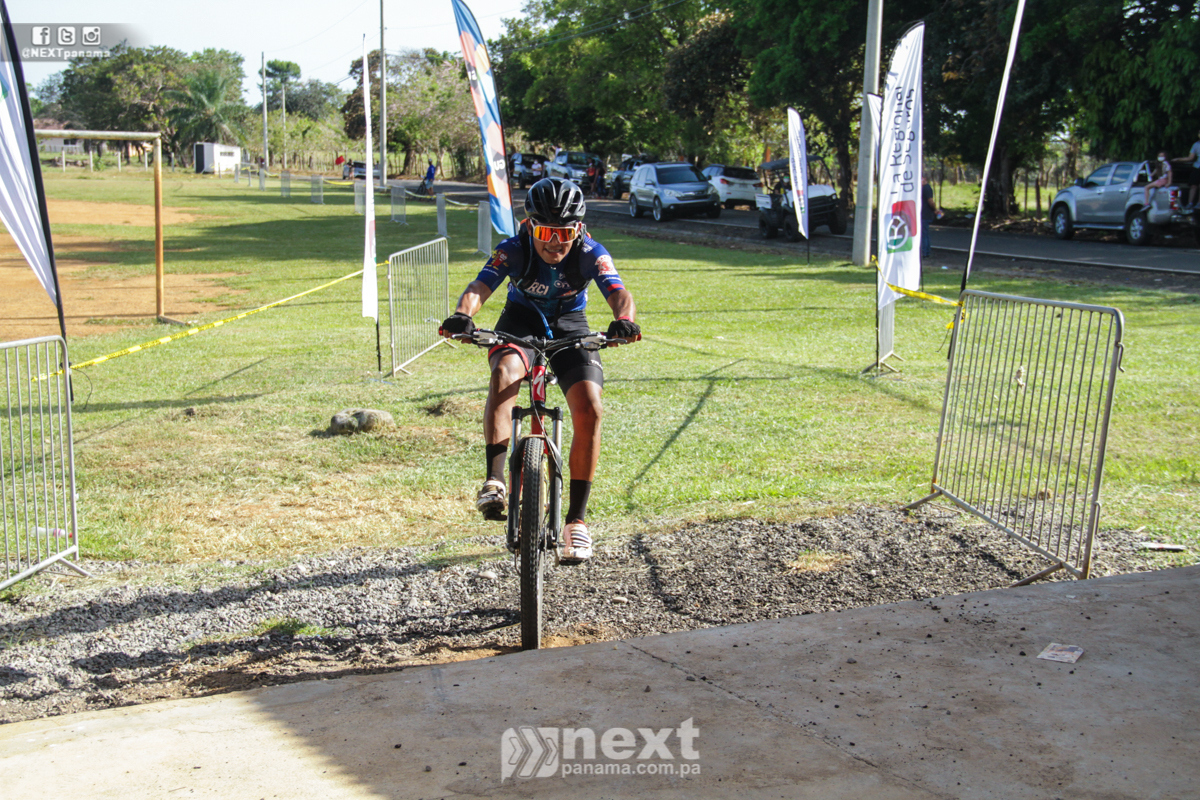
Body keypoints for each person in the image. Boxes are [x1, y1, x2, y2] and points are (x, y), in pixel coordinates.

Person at [437, 178, 641, 563]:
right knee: (505, 373)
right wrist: (463, 315)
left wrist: (624, 319)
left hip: (571, 325)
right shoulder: (513, 249)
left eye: (565, 233)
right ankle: (495, 480)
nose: (555, 243)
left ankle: (576, 522)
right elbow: (481, 286)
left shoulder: (591, 251)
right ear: (530, 226)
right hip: (520, 321)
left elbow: (618, 291)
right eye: (546, 232)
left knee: (590, 407)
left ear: (578, 229)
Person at [920, 175, 941, 259]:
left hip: (925, 214)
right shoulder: (923, 188)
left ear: (924, 179)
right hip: (924, 214)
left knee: (924, 234)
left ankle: (925, 252)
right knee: (925, 233)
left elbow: (930, 201)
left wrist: (935, 209)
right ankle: (926, 251)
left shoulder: (926, 188)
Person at [1185, 130, 1200, 211]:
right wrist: (1178, 159)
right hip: (1197, 167)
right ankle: (1190, 203)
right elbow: (1191, 157)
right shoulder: (1196, 144)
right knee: (1193, 185)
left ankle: (1199, 203)